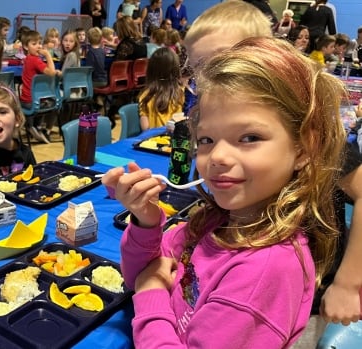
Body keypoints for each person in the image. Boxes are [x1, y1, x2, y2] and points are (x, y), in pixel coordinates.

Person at [102, 36, 346, 348]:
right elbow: (140, 271)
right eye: (206, 140)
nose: (217, 156)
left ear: (304, 147)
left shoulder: (265, 272)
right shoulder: (216, 220)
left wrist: (150, 290)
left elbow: (145, 279)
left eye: (249, 137)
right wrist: (146, 222)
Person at [19, 30, 61, 144]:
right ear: (25, 47)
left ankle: (34, 126)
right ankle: (41, 129)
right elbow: (51, 73)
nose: (38, 46)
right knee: (56, 104)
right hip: (33, 101)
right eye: (34, 44)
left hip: (27, 100)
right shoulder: (35, 60)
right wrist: (47, 55)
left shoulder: (28, 59)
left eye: (39, 43)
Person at [138, 47, 183, 130]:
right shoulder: (182, 93)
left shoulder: (145, 95)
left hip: (152, 140)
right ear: (176, 69)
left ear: (150, 70)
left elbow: (145, 129)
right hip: (177, 140)